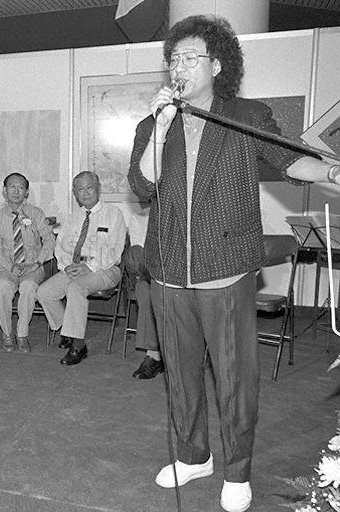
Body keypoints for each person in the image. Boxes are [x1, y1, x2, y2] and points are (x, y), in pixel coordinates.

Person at [127, 15, 340, 512]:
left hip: (225, 268)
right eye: (173, 59)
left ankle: (237, 469)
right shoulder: (152, 124)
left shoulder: (244, 114)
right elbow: (142, 186)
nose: (178, 67)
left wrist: (332, 170)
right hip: (169, 274)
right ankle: (193, 454)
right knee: (180, 372)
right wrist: (159, 129)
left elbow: (292, 160)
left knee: (233, 376)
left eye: (189, 58)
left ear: (217, 64)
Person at [36, 171, 126, 366]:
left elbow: (114, 252)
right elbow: (61, 246)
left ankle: (78, 346)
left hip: (105, 269)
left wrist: (88, 267)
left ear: (98, 188)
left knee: (75, 288)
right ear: (75, 194)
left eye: (89, 188)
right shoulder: (72, 216)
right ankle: (67, 329)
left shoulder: (114, 214)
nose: (85, 193)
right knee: (44, 292)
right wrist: (68, 266)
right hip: (74, 267)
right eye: (80, 190)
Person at [0, 172, 54, 352]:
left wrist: (37, 262)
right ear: (4, 191)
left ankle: (22, 334)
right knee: (1, 288)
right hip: (7, 266)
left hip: (32, 265)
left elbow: (49, 240)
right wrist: (10, 266)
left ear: (26, 192)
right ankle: (7, 334)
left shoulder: (36, 214)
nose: (16, 191)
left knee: (27, 288)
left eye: (21, 187)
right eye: (12, 187)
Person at [123, 207, 163, 379]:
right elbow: (141, 253)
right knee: (145, 289)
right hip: (148, 272)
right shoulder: (139, 217)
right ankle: (154, 355)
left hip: (177, 272)